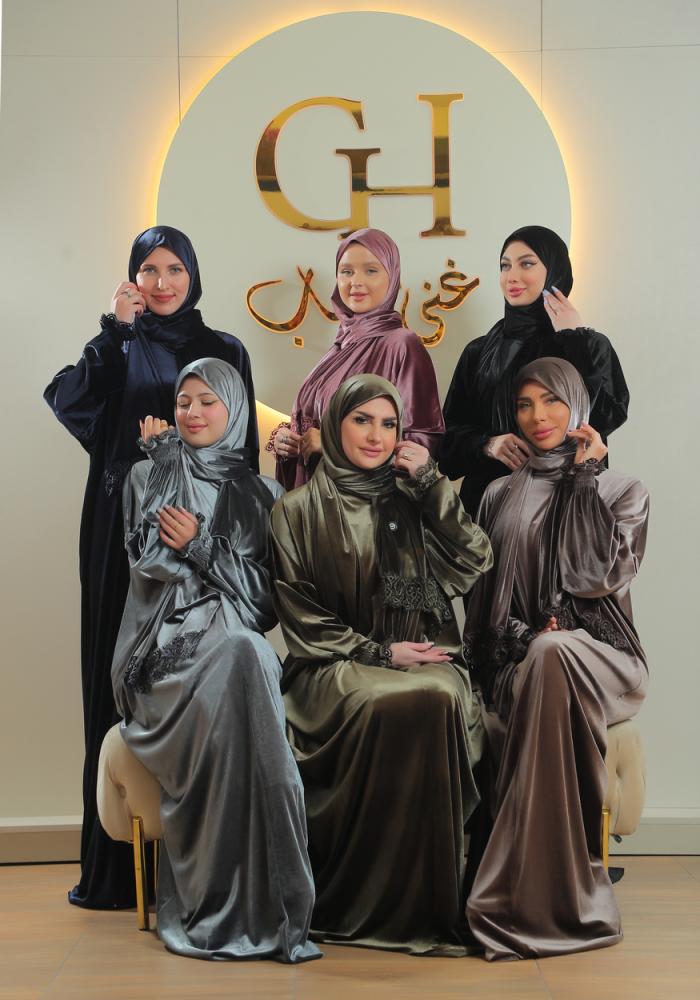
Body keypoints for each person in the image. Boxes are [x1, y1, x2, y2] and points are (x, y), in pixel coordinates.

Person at [44, 226, 258, 909]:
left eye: (174, 269)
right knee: (120, 667)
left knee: (203, 665)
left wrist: (219, 540)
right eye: (149, 270)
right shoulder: (118, 346)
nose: (162, 282)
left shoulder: (224, 348)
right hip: (119, 525)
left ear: (193, 275)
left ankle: (205, 867)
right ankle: (118, 870)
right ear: (132, 278)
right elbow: (71, 402)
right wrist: (114, 330)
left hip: (202, 529)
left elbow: (241, 452)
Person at [270, 374, 492, 954]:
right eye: (362, 420)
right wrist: (379, 651)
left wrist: (432, 483)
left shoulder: (410, 498)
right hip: (332, 662)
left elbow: (474, 560)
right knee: (381, 695)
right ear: (334, 425)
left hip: (419, 649)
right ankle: (348, 899)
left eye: (389, 423)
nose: (376, 435)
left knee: (438, 693)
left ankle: (427, 904)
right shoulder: (295, 509)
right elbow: (300, 614)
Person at [111, 358, 319, 963]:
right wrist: (164, 462)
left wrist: (202, 546)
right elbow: (150, 569)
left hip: (235, 643)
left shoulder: (264, 493)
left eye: (208, 402)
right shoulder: (147, 475)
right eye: (184, 402)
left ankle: (269, 902)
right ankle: (221, 899)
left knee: (247, 650)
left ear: (235, 410)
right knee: (246, 654)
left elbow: (264, 604)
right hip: (164, 652)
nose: (193, 413)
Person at [464, 357, 649, 960]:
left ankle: (518, 889)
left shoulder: (621, 489)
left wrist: (584, 477)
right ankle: (549, 894)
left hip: (605, 659)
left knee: (556, 647)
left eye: (551, 401)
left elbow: (598, 576)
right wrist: (524, 636)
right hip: (523, 654)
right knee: (546, 650)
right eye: (524, 405)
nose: (537, 416)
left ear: (579, 407)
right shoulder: (498, 493)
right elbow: (483, 600)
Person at [440, 225, 629, 515]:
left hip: (562, 508)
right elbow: (445, 442)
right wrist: (487, 444)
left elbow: (603, 419)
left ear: (554, 271)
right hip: (486, 511)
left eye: (526, 264)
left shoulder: (589, 345)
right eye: (505, 266)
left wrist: (572, 340)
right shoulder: (478, 352)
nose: (511, 277)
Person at [271, 228, 444, 489]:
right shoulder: (341, 345)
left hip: (365, 507)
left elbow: (419, 445)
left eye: (371, 270)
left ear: (393, 277)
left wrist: (331, 446)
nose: (356, 282)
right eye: (346, 271)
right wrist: (288, 439)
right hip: (316, 499)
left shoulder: (402, 344)